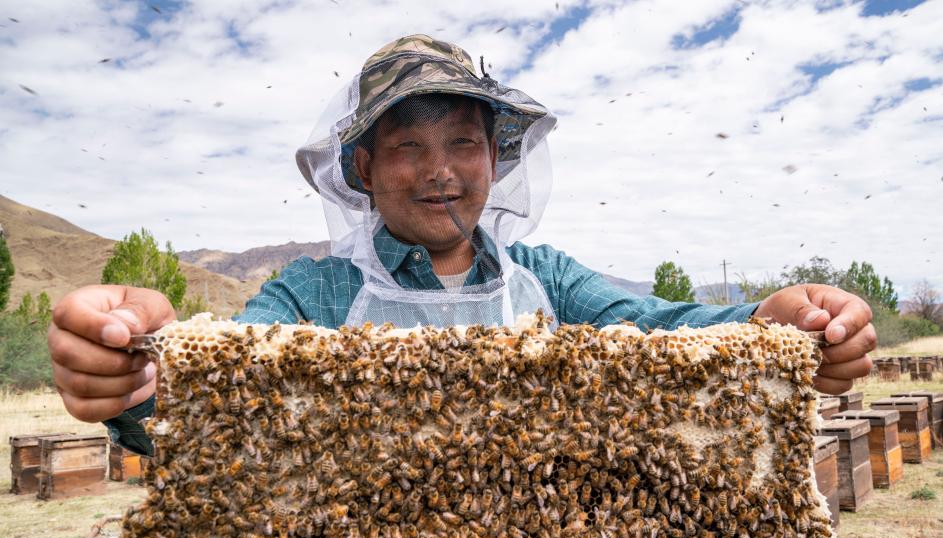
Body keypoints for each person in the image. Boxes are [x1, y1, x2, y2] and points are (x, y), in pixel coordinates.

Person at [48, 35, 876, 455]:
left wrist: (769, 326)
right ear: (365, 169)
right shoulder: (312, 295)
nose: (440, 171)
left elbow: (663, 329)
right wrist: (140, 372)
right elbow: (221, 384)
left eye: (463, 143)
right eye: (409, 146)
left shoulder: (547, 283)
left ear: (495, 159)